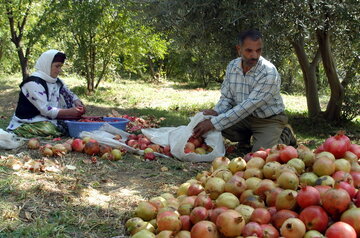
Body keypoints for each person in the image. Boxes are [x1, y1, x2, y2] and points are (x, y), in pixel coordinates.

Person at [193, 29, 296, 153]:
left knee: (262, 153)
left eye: (258, 50)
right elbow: (227, 98)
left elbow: (246, 107)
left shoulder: (268, 72)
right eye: (249, 50)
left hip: (268, 119)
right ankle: (244, 140)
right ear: (239, 49)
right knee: (215, 127)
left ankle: (286, 135)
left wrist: (214, 123)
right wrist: (216, 111)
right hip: (243, 118)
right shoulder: (232, 66)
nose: (255, 55)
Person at [7, 49, 86, 137]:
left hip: (48, 118)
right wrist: (69, 112)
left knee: (70, 124)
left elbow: (70, 95)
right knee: (50, 129)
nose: (59, 70)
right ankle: (20, 130)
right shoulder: (33, 83)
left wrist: (77, 102)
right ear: (47, 65)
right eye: (57, 66)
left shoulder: (57, 81)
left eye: (60, 66)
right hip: (31, 119)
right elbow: (45, 109)